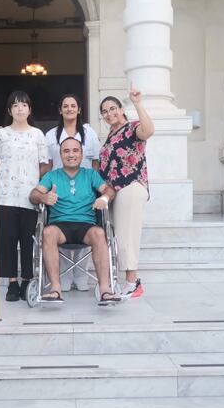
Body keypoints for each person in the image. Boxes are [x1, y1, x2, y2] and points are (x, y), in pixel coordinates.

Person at [29, 137, 120, 305]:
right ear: (61, 155)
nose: (71, 154)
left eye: (75, 150)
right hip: (60, 226)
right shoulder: (52, 176)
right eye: (66, 151)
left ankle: (105, 289)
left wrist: (105, 198)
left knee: (100, 233)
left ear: (82, 154)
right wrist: (44, 196)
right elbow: (34, 194)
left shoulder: (90, 174)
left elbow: (109, 190)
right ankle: (55, 289)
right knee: (47, 232)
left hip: (86, 226)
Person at [0, 90, 50, 302]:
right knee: (7, 241)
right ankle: (11, 283)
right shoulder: (1, 134)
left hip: (30, 197)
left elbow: (45, 165)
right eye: (15, 105)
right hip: (5, 197)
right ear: (9, 110)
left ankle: (27, 280)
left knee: (28, 240)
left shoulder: (37, 135)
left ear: (29, 109)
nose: (19, 108)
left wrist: (37, 185)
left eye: (24, 104)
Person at [98, 84, 154, 299]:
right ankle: (127, 280)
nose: (109, 113)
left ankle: (133, 282)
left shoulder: (132, 128)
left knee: (127, 235)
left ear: (121, 109)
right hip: (115, 191)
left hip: (131, 187)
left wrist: (138, 103)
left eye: (113, 108)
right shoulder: (111, 135)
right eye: (104, 111)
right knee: (119, 236)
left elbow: (148, 131)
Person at [45, 94, 101, 292]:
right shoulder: (51, 135)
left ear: (79, 109)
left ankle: (81, 275)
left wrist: (95, 187)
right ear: (60, 110)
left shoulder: (89, 133)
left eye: (73, 106)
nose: (69, 109)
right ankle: (66, 276)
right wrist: (42, 189)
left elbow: (95, 161)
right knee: (62, 227)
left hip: (85, 187)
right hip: (58, 188)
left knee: (85, 225)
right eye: (65, 106)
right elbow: (48, 164)